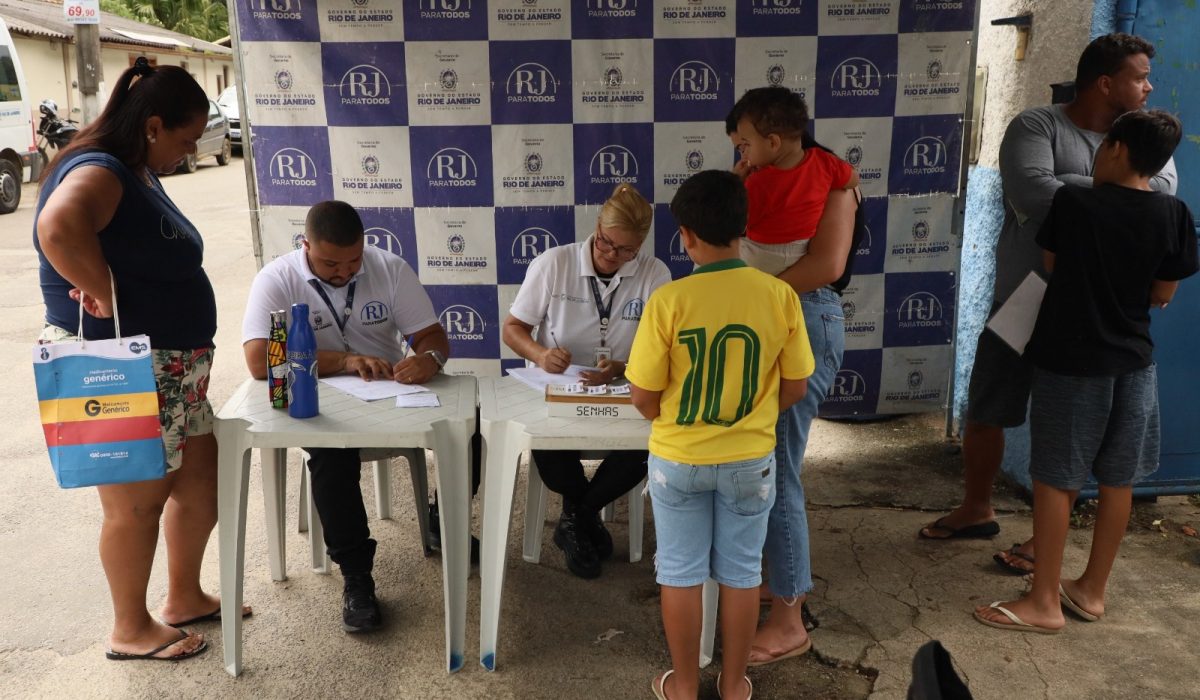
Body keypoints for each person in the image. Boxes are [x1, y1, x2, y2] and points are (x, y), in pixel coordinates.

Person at [920, 33, 1178, 577]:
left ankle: (1044, 540)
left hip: (1092, 315)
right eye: (1139, 76)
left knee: (1072, 428)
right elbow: (1033, 191)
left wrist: (1077, 190)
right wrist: (1115, 195)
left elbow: (1161, 196)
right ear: (1105, 83)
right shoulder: (1037, 125)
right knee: (989, 404)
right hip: (1027, 294)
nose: (1149, 87)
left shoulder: (1144, 135)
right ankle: (976, 507)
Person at [33, 58, 235, 661]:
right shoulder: (100, 169)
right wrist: (102, 290)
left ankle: (183, 596)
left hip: (176, 372)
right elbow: (58, 227)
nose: (191, 150)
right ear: (152, 126)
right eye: (186, 138)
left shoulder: (135, 168)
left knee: (200, 483)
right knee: (136, 504)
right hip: (129, 370)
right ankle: (130, 628)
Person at [974, 109, 1197, 633]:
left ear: (1116, 148)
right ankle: (1092, 591)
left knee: (1055, 479)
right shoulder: (1174, 212)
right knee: (1118, 478)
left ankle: (1043, 601)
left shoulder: (1075, 203)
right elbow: (1163, 292)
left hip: (1072, 361)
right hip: (1135, 361)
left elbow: (1052, 264)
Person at [627, 170, 815, 700]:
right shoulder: (779, 295)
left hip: (678, 459)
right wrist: (748, 417)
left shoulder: (669, 301)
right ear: (744, 228)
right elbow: (796, 387)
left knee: (680, 574)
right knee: (741, 574)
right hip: (750, 461)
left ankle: (685, 686)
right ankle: (734, 686)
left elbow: (643, 397)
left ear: (685, 235)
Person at [241, 200, 450, 633]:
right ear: (306, 246)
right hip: (316, 397)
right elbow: (259, 360)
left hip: (389, 392)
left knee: (468, 428)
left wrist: (428, 359)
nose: (344, 272)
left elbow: (431, 336)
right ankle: (357, 577)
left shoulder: (389, 268)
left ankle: (442, 517)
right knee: (332, 453)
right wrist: (345, 361)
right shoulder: (277, 278)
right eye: (331, 264)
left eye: (354, 261)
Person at [728, 87, 860, 665]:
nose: (742, 153)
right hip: (763, 323)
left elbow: (826, 265)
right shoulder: (758, 181)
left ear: (776, 139)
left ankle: (789, 618)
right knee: (759, 466)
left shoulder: (833, 180)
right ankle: (773, 580)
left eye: (745, 144)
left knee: (778, 474)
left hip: (800, 322)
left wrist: (755, 296)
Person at [501, 184, 671, 579]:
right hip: (558, 384)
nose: (611, 255)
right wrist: (541, 355)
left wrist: (622, 367)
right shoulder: (554, 263)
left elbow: (664, 349)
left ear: (640, 245)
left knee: (650, 443)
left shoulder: (655, 273)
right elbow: (513, 329)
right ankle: (584, 515)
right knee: (548, 445)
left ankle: (577, 516)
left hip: (622, 385)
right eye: (606, 242)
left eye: (626, 250)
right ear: (596, 227)